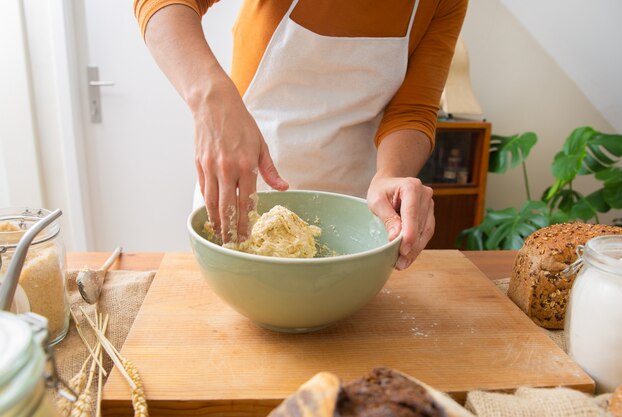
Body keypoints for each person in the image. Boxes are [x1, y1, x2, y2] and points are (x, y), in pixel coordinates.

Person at [134, 0, 467, 269]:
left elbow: (413, 110)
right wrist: (211, 99)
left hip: (353, 217)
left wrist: (391, 174)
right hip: (243, 194)